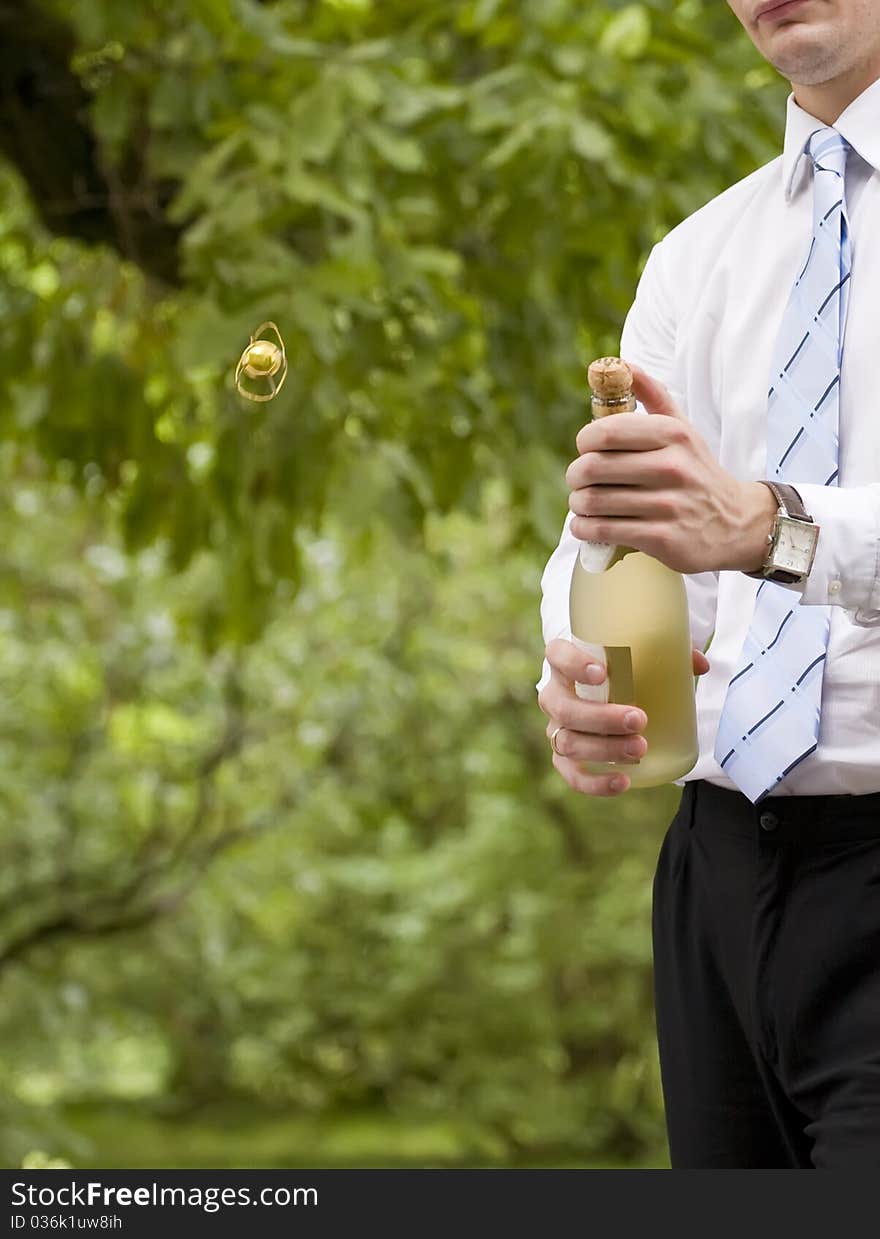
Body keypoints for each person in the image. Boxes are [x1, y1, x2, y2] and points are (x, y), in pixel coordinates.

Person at [537, 0, 880, 1168]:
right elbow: (625, 539)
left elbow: (741, 528)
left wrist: (773, 527)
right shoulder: (696, 253)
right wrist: (578, 665)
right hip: (717, 874)